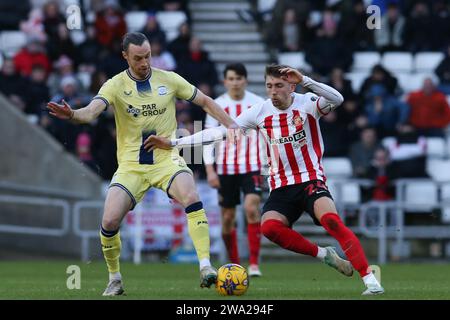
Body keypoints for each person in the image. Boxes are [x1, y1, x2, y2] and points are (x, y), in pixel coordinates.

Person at [146, 65, 385, 295]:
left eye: (279, 85)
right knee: (269, 228)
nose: (273, 91)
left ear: (291, 86)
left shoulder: (308, 104)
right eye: (269, 85)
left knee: (331, 221)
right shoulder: (259, 111)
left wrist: (305, 81)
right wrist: (175, 143)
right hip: (281, 186)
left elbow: (338, 99)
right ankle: (324, 255)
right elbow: (219, 132)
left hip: (310, 180)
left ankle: (370, 280)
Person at [47, 32, 240, 296]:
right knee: (110, 220)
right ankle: (114, 278)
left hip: (167, 159)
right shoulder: (115, 85)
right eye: (138, 58)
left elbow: (205, 102)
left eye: (147, 56)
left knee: (192, 195)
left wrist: (232, 124)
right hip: (131, 166)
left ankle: (206, 266)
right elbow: (91, 112)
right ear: (125, 56)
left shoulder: (169, 79)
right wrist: (72, 114)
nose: (144, 62)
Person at [203, 63, 265, 276]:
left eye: (239, 78)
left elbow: (268, 135)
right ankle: (236, 265)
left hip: (253, 167)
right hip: (226, 169)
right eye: (231, 78)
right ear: (225, 81)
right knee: (228, 218)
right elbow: (208, 140)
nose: (235, 82)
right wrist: (210, 171)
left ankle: (255, 264)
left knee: (251, 209)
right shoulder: (216, 105)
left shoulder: (258, 103)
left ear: (245, 81)